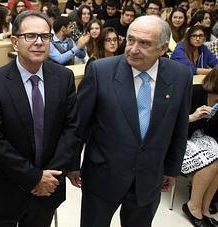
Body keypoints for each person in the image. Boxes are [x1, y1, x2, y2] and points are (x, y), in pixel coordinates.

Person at [71, 15, 192, 227]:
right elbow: (79, 124)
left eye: (144, 43)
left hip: (149, 178)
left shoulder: (180, 76)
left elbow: (179, 127)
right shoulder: (101, 71)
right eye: (130, 40)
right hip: (103, 176)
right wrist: (72, 163)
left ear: (163, 48)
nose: (133, 48)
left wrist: (172, 169)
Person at [0, 11, 78, 226]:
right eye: (30, 36)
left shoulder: (64, 77)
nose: (39, 42)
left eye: (45, 36)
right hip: (5, 188)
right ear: (15, 42)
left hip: (49, 187)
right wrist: (34, 178)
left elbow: (72, 130)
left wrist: (49, 178)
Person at [181, 68, 218, 227]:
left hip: (203, 138)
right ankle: (193, 205)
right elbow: (171, 120)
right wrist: (194, 116)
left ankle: (205, 207)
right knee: (213, 158)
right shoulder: (195, 92)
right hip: (182, 137)